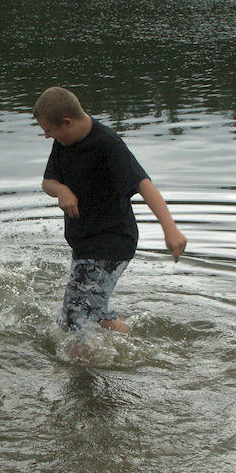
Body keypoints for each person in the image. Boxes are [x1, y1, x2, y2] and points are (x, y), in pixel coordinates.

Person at [33, 86, 187, 335]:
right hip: (85, 243)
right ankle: (133, 347)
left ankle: (92, 360)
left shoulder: (107, 144)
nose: (47, 136)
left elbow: (143, 184)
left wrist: (171, 230)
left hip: (112, 240)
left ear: (67, 122)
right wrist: (61, 190)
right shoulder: (63, 142)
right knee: (78, 313)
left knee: (77, 312)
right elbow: (47, 182)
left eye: (48, 130)